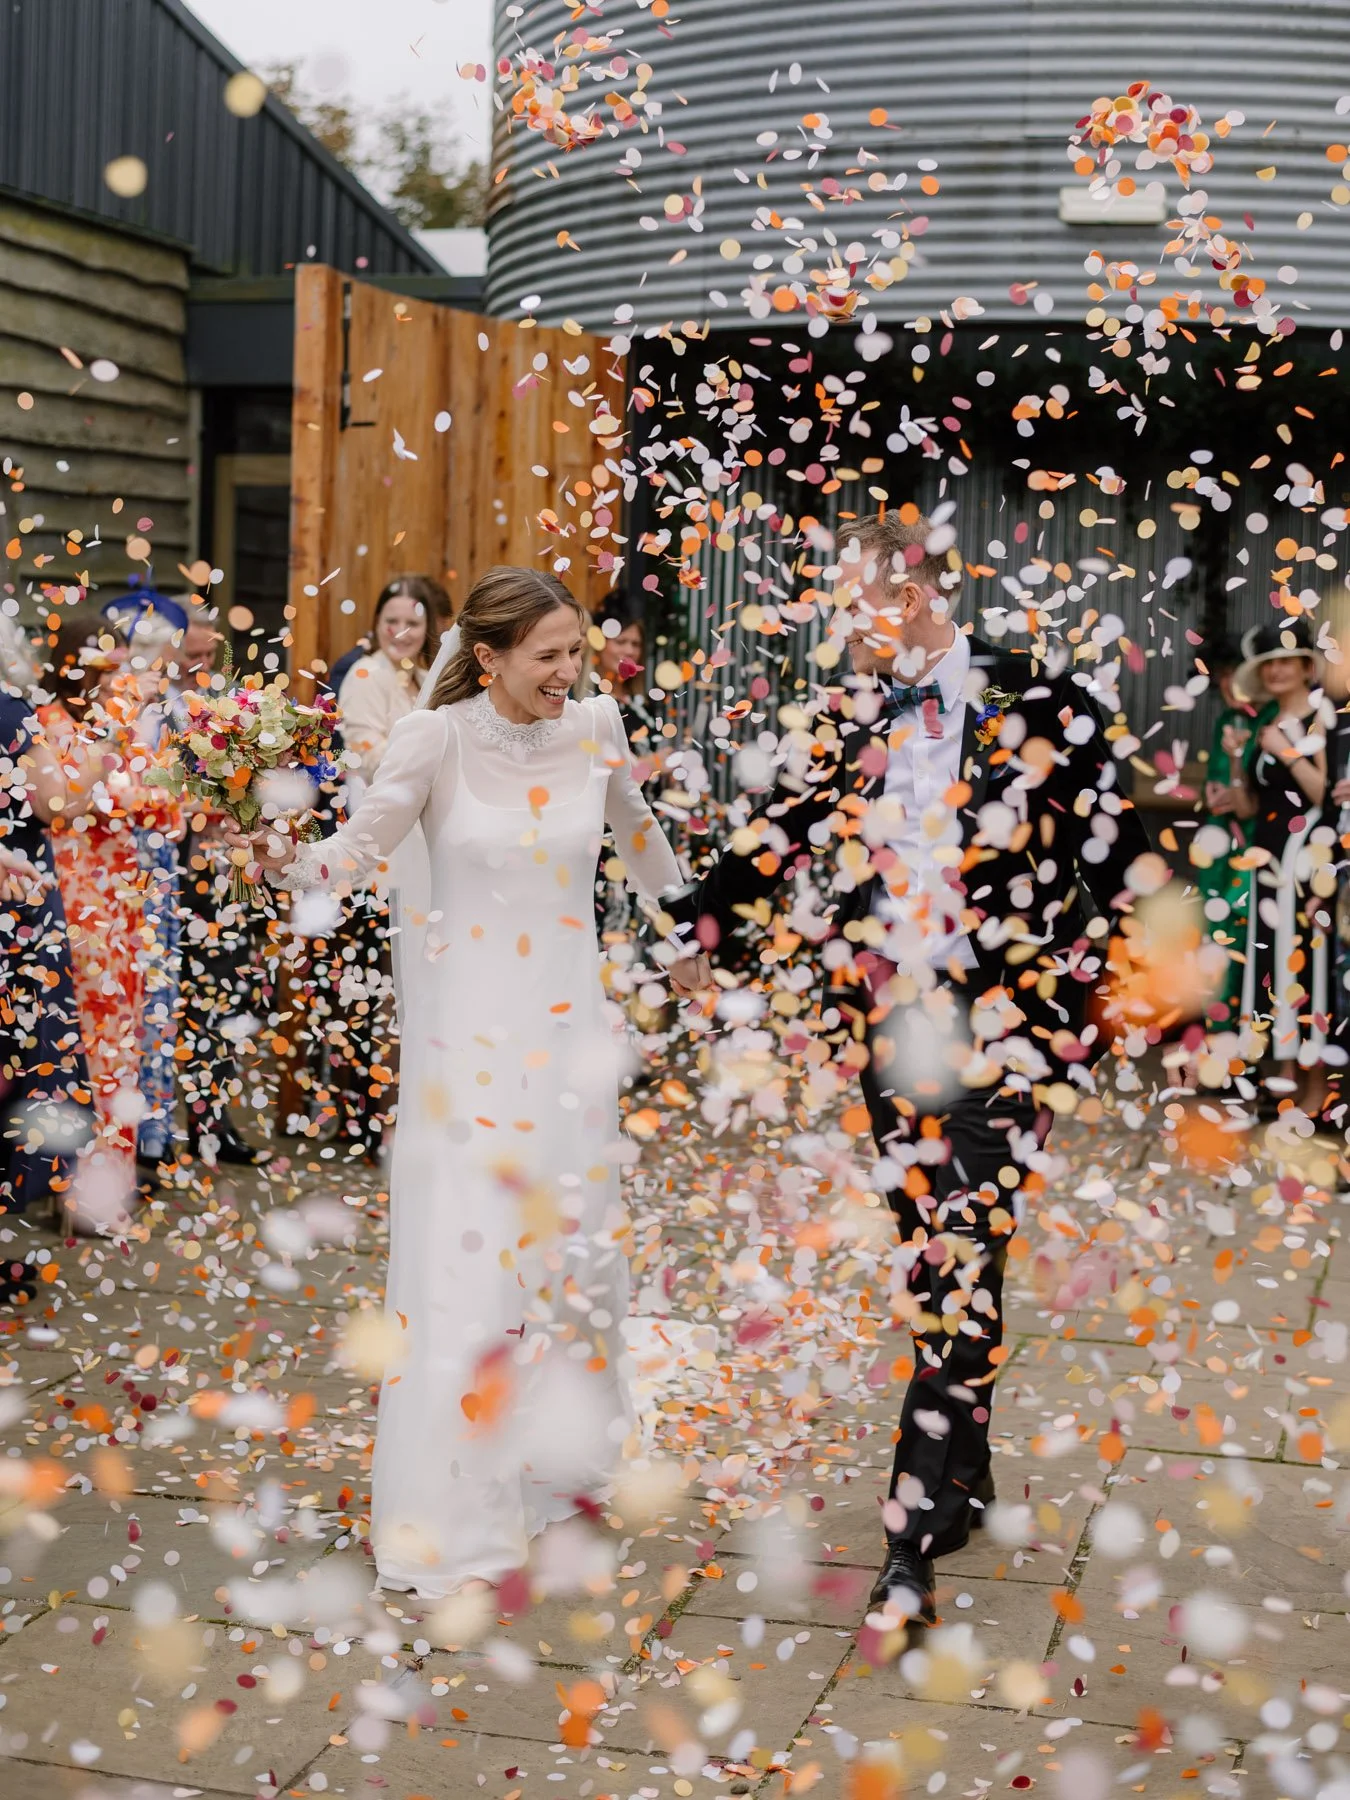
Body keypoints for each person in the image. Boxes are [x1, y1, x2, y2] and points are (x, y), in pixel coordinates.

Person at [678, 509, 1151, 1634]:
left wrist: (1106, 983)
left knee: (959, 1255)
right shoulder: (844, 714)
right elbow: (773, 843)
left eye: (861, 602)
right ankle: (967, 1475)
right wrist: (681, 931)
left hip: (1008, 1027)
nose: (846, 626)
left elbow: (1124, 858)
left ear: (923, 590)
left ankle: (908, 1543)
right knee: (933, 1256)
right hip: (891, 1028)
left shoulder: (1044, 701)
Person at [235, 567, 710, 1598]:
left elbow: (642, 845)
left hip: (565, 1039)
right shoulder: (433, 741)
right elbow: (355, 853)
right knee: (472, 1267)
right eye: (548, 657)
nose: (569, 672)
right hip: (466, 1052)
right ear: (485, 658)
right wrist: (280, 856)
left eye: (576, 652)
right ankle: (458, 1503)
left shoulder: (597, 727)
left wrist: (687, 941)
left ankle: (551, 1467)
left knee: (561, 1253)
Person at [35, 613, 168, 1222]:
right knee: (81, 1046)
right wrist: (113, 756)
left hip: (121, 897)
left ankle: (108, 1188)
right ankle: (71, 1193)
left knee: (122, 1043)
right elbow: (61, 802)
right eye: (98, 660)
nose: (110, 673)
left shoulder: (111, 721)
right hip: (72, 897)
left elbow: (153, 796)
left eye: (114, 661)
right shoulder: (49, 724)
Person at [326, 577, 445, 1159]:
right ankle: (363, 1119)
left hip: (426, 847)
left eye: (414, 623)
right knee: (372, 991)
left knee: (415, 993)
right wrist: (419, 760)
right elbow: (363, 751)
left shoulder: (431, 680)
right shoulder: (367, 675)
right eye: (391, 620)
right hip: (377, 851)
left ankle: (409, 1111)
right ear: (376, 624)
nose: (401, 633)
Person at [0, 616, 94, 1257]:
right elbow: (56, 804)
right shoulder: (13, 716)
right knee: (23, 1060)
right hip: (18, 909)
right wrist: (97, 760)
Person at [164, 602, 264, 1165]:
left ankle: (212, 1122)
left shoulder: (230, 710)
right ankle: (154, 1131)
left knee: (222, 995)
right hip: (166, 876)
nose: (201, 667)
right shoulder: (150, 712)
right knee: (170, 1002)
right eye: (190, 658)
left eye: (209, 656)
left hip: (221, 876)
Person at [1229, 617, 1335, 1114]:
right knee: (1270, 969)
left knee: (1310, 971)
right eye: (1268, 664)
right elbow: (1250, 809)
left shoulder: (1326, 719)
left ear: (1307, 666)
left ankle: (1318, 1093)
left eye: (1285, 661)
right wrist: (1237, 760)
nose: (1276, 672)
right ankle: (1284, 1083)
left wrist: (1288, 751)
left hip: (1312, 864)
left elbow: (1326, 797)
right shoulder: (1264, 724)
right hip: (1266, 863)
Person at [1197, 639, 1257, 1028]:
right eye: (1221, 681)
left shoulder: (1266, 720)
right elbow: (1216, 777)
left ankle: (1237, 1030)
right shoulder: (1224, 721)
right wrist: (1212, 791)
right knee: (1212, 925)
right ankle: (1214, 1026)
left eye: (1234, 678)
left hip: (1253, 837)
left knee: (1240, 926)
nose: (1227, 686)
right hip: (1218, 838)